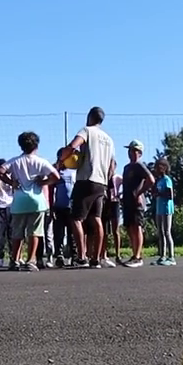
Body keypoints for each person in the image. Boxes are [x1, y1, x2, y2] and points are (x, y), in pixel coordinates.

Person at [59, 107, 116, 268]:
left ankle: (82, 257)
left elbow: (72, 146)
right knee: (96, 219)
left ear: (90, 117)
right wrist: (107, 179)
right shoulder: (109, 139)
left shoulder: (87, 131)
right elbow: (112, 164)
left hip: (86, 179)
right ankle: (96, 259)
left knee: (76, 218)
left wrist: (62, 160)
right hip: (101, 182)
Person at [0, 131, 59, 272]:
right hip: (37, 200)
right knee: (35, 232)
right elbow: (56, 176)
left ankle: (14, 260)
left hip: (19, 201)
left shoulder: (14, 161)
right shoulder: (41, 161)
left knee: (17, 232)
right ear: (36, 145)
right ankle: (31, 260)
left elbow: (0, 171)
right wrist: (45, 181)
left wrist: (11, 182)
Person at [119, 139, 155, 267]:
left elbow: (151, 180)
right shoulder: (127, 167)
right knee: (129, 228)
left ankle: (138, 257)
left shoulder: (140, 166)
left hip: (137, 202)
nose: (131, 153)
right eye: (130, 150)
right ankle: (134, 254)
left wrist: (139, 193)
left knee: (136, 226)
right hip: (127, 201)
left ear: (140, 152)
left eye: (134, 150)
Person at [51, 149, 76, 267]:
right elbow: (51, 190)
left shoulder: (74, 171)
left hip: (71, 207)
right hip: (59, 207)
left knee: (72, 233)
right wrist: (51, 207)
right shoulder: (56, 172)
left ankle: (74, 256)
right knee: (59, 233)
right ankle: (59, 255)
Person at [152, 157, 176, 265]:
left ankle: (171, 257)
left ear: (164, 168)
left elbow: (170, 195)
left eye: (158, 167)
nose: (156, 169)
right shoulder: (159, 181)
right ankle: (162, 256)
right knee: (160, 232)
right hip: (159, 208)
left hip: (166, 208)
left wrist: (159, 194)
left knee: (167, 232)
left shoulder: (167, 180)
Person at [98, 169, 122, 267]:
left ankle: (118, 254)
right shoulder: (103, 178)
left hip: (114, 202)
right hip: (105, 203)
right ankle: (104, 254)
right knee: (105, 230)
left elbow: (125, 186)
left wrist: (120, 194)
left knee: (115, 230)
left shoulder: (118, 177)